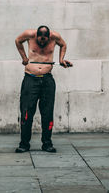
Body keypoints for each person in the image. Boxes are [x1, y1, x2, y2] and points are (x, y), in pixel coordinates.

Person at [14, 25, 73, 153]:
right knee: (26, 113)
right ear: (36, 35)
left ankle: (47, 144)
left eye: (44, 40)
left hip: (47, 80)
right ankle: (24, 144)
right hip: (30, 79)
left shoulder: (55, 37)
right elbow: (18, 40)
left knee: (47, 113)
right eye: (40, 40)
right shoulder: (29, 34)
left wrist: (61, 60)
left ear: (48, 36)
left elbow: (63, 45)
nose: (42, 42)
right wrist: (24, 57)